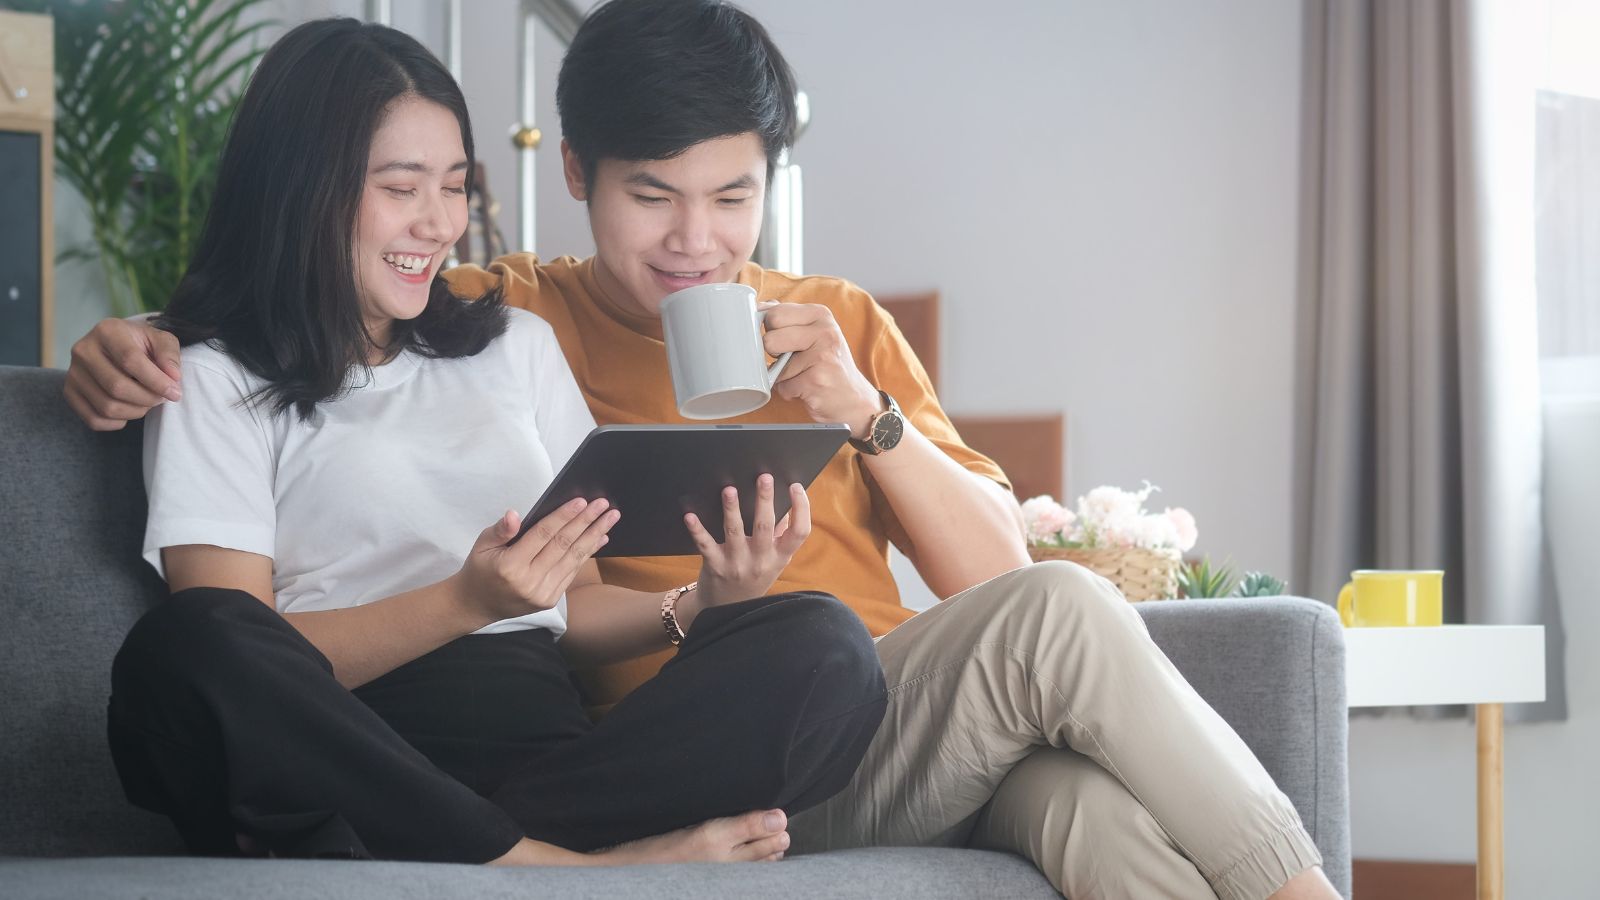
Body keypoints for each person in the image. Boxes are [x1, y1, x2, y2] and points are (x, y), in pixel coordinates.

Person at [69, 2, 1342, 897]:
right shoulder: (464, 321)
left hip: (708, 726)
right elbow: (249, 620)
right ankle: (542, 874)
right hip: (494, 750)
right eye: (652, 195)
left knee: (1025, 765)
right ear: (575, 175)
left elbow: (978, 573)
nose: (696, 244)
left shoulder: (557, 338)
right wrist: (123, 340)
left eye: (733, 198)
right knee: (187, 650)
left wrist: (749, 552)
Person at [104, 17, 887, 868]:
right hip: (348, 754)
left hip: (545, 768)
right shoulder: (207, 376)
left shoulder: (513, 345)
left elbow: (572, 607)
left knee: (824, 644)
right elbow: (240, 651)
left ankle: (494, 851)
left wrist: (705, 603)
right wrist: (464, 602)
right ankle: (560, 869)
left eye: (453, 186)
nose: (439, 223)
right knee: (190, 642)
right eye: (402, 189)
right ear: (299, 187)